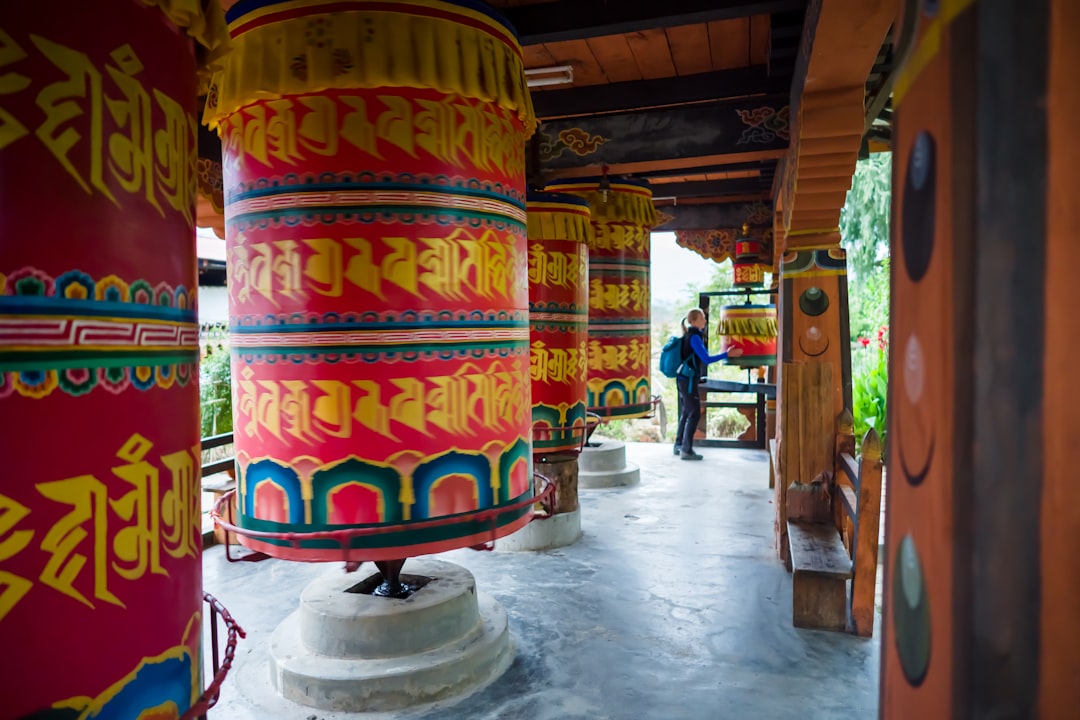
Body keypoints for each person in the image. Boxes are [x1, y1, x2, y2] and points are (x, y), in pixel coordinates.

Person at [673, 308, 742, 460]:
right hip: (688, 381)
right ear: (694, 320)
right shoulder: (694, 337)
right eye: (702, 318)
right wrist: (727, 354)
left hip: (683, 379)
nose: (705, 320)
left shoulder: (688, 335)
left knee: (687, 412)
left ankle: (679, 445)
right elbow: (706, 359)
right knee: (694, 413)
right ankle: (686, 450)